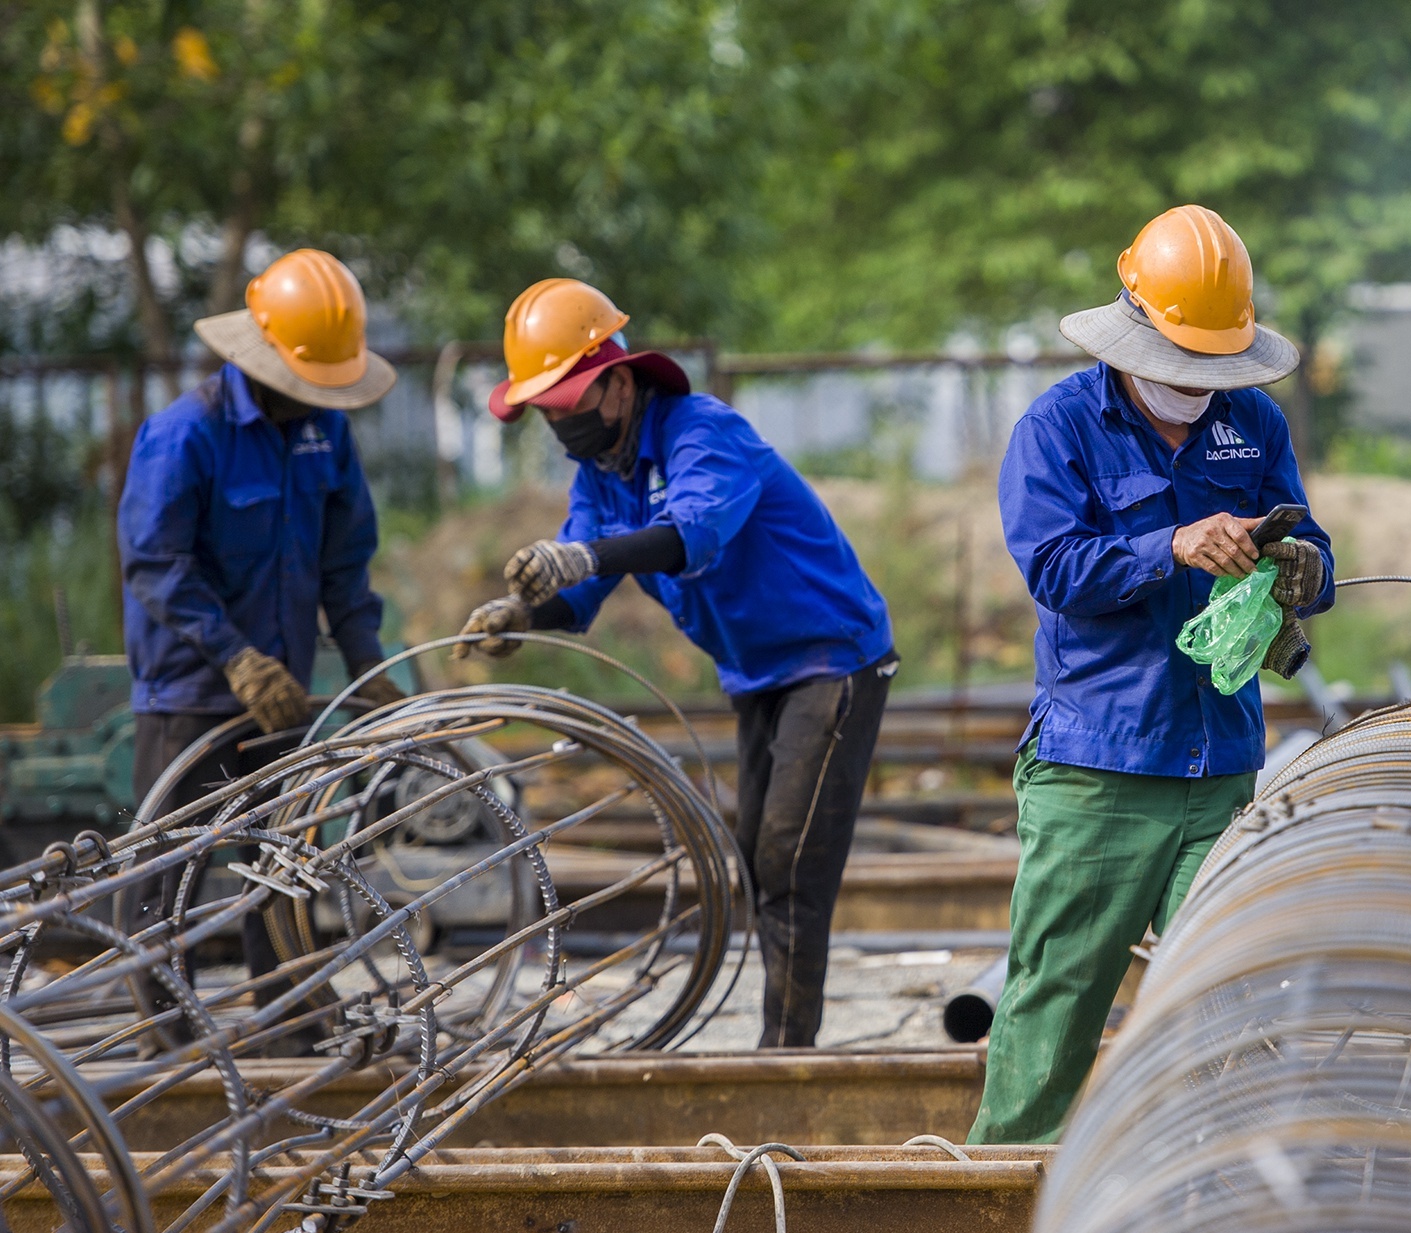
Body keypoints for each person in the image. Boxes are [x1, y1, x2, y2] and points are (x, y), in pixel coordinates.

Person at [971, 205, 1335, 1144]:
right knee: (1055, 1008)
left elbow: (1312, 542)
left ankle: (1209, 1201)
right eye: (1180, 367)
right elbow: (1056, 570)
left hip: (1217, 767)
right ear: (1132, 335)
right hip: (1100, 769)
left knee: (1230, 1008)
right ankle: (1006, 1192)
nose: (1196, 387)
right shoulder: (1058, 431)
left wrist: (1305, 569)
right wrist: (1170, 544)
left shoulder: (1251, 422)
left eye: (1214, 369)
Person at [453, 278, 896, 1048]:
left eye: (568, 404)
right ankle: (784, 1044)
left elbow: (696, 536)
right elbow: (581, 598)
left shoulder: (702, 433)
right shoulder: (602, 477)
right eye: (547, 412)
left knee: (790, 866)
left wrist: (581, 555)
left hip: (833, 662)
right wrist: (523, 618)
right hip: (758, 673)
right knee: (761, 866)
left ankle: (787, 1058)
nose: (560, 424)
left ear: (618, 386)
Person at [119, 248, 406, 1022]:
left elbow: (345, 563)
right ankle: (164, 1028)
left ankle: (288, 1015)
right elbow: (155, 561)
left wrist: (367, 664)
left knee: (281, 858)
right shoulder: (186, 436)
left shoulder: (325, 437)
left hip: (284, 696)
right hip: (190, 689)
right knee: (165, 866)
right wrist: (235, 657)